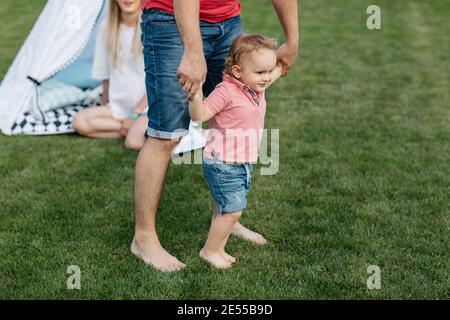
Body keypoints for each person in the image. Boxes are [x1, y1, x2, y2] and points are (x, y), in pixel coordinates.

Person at [132, 0, 299, 272]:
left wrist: (292, 40)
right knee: (166, 134)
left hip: (227, 19)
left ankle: (225, 219)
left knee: (231, 119)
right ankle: (144, 238)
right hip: (169, 19)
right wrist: (193, 50)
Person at [189, 34, 283, 269]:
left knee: (226, 207)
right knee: (232, 211)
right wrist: (195, 92)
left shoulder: (254, 87)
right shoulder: (226, 91)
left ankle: (219, 246)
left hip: (241, 162)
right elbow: (199, 115)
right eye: (261, 72)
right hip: (223, 163)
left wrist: (282, 64)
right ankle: (210, 250)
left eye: (269, 71)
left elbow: (274, 72)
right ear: (238, 72)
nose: (266, 78)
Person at [72, 0, 148, 150]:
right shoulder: (107, 27)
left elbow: (159, 80)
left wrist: (134, 114)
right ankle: (126, 128)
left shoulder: (150, 27)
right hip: (119, 107)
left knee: (133, 142)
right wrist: (106, 103)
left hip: (146, 108)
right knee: (79, 122)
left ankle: (132, 128)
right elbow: (105, 74)